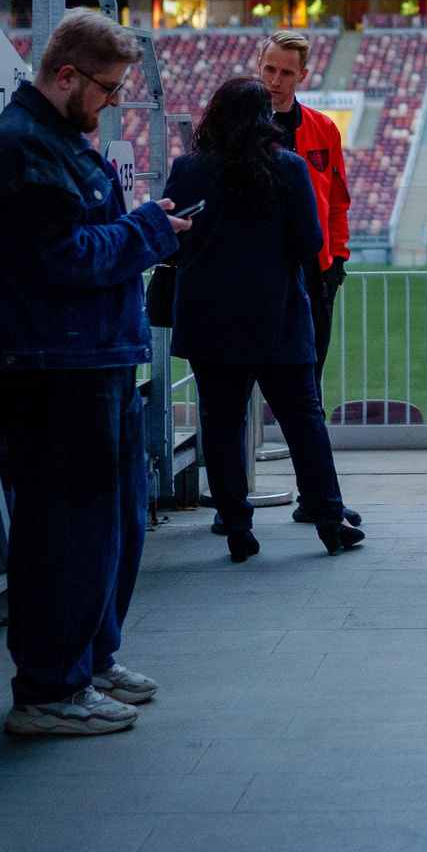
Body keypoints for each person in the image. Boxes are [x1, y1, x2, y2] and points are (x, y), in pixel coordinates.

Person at [0, 9, 188, 736]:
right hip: (56, 364)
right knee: (68, 527)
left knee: (110, 524)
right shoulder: (26, 150)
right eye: (107, 88)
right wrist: (146, 231)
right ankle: (50, 685)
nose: (113, 103)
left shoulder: (55, 140)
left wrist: (138, 227)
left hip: (88, 357)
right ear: (67, 75)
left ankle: (88, 659)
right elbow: (65, 258)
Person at [160, 77, 365, 564]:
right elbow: (310, 244)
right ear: (264, 121)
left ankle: (235, 526)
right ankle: (328, 519)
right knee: (302, 419)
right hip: (276, 315)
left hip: (209, 319)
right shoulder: (289, 168)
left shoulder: (188, 168)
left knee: (221, 421)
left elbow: (171, 239)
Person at [257, 30, 351, 414]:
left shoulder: (323, 129)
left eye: (286, 73)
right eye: (269, 69)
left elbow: (337, 201)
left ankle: (312, 461)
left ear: (303, 76)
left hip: (313, 272)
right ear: (258, 68)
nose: (275, 81)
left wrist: (336, 263)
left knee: (310, 377)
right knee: (247, 374)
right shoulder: (238, 128)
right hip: (257, 272)